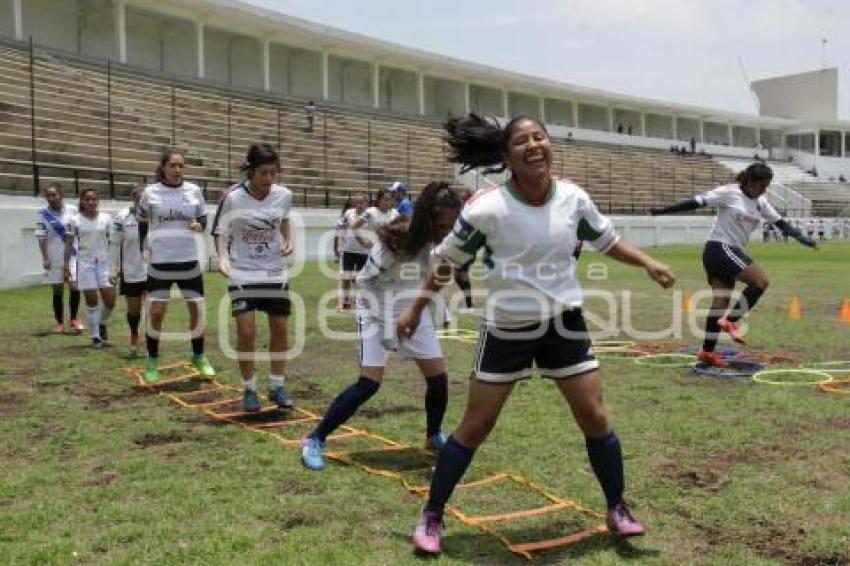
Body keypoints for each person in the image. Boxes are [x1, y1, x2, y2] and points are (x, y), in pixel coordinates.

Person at [397, 114, 676, 555]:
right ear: (507, 156)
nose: (533, 146)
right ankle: (432, 514)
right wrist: (416, 307)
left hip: (563, 325)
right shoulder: (486, 207)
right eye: (522, 141)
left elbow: (607, 241)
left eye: (539, 138)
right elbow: (448, 262)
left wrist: (647, 262)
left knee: (595, 417)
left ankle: (617, 507)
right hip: (506, 329)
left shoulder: (573, 198)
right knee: (475, 426)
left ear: (550, 146)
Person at [300, 182, 462, 472]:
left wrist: (423, 312)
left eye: (450, 227)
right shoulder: (395, 241)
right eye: (441, 226)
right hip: (376, 309)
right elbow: (364, 283)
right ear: (426, 218)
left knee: (438, 378)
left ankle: (433, 435)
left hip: (412, 310)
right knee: (369, 383)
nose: (445, 233)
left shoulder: (439, 243)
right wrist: (388, 323)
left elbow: (434, 277)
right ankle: (315, 438)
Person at [651, 162, 817, 367]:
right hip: (720, 248)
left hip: (723, 252)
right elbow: (696, 202)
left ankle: (707, 352)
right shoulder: (729, 192)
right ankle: (731, 321)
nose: (765, 190)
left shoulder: (760, 202)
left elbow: (780, 223)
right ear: (750, 181)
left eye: (767, 186)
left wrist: (802, 238)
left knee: (719, 304)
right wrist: (662, 211)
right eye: (762, 185)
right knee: (760, 282)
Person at [212, 143, 295, 412]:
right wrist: (222, 257)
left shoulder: (283, 195)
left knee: (280, 329)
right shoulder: (234, 198)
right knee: (247, 332)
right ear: (250, 172)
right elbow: (221, 231)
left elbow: (283, 219)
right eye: (263, 174)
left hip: (273, 271)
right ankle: (249, 389)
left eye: (273, 174)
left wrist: (287, 240)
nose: (269, 180)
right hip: (243, 271)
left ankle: (277, 386)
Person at [138, 148, 215, 383]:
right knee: (157, 312)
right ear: (163, 168)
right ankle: (152, 361)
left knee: (196, 310)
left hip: (188, 259)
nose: (177, 170)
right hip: (161, 260)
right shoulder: (150, 193)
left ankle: (199, 356)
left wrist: (199, 226)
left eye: (181, 165)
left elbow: (202, 217)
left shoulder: (194, 191)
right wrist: (144, 246)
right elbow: (142, 221)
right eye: (173, 165)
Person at [64, 189, 116, 348]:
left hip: (104, 263)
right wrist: (66, 266)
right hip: (85, 263)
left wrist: (116, 264)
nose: (91, 202)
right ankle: (95, 337)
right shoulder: (74, 220)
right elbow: (68, 244)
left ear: (98, 200)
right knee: (92, 301)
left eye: (94, 199)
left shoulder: (106, 218)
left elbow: (113, 242)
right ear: (82, 201)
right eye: (87, 199)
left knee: (110, 302)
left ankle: (100, 323)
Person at [35, 184, 83, 334]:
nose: (51, 198)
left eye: (54, 195)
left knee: (75, 286)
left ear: (61, 195)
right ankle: (59, 322)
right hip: (54, 256)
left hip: (73, 255)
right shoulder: (42, 214)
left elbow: (80, 231)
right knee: (57, 290)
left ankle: (74, 319)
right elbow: (41, 238)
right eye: (48, 195)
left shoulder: (73, 210)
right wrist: (45, 258)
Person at [111, 184, 147, 357]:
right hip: (131, 271)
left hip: (153, 271)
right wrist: (114, 268)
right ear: (133, 198)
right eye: (139, 197)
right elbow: (115, 243)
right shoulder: (122, 216)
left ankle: (151, 342)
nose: (143, 200)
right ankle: (134, 336)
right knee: (134, 310)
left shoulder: (155, 216)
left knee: (154, 307)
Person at [336, 193, 369, 311]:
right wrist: (340, 244)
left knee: (361, 279)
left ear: (366, 204)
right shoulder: (349, 213)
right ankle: (346, 302)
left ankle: (361, 303)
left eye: (362, 202)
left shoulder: (369, 215)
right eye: (357, 202)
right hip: (348, 250)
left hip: (364, 252)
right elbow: (340, 226)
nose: (359, 205)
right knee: (346, 278)